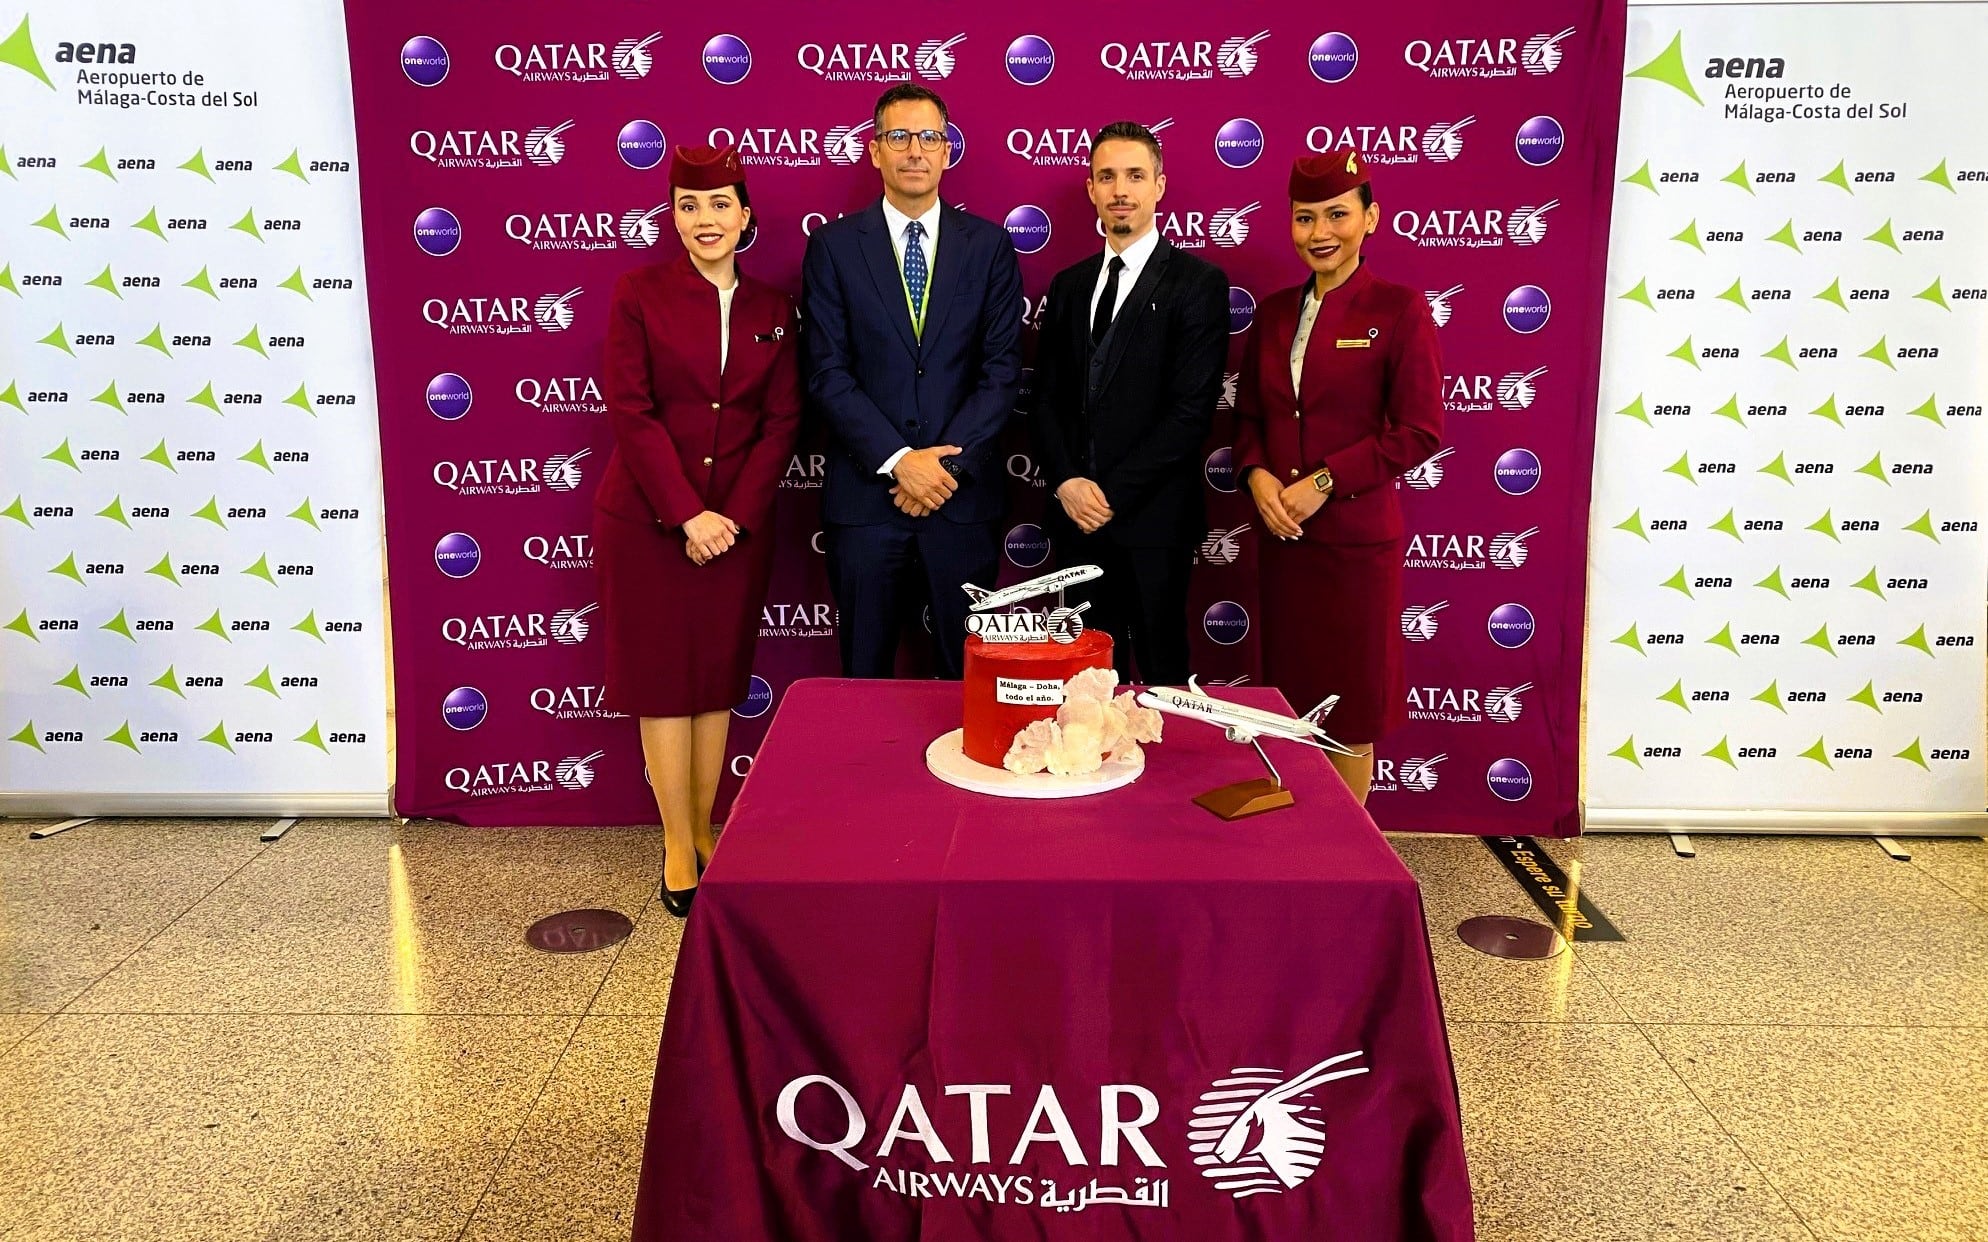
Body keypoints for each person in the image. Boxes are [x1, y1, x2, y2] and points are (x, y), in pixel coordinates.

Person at [595, 145, 802, 915]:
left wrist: (734, 518)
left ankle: (709, 828)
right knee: (664, 686)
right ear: (672, 216)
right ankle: (676, 842)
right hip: (650, 522)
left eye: (719, 204)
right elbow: (632, 409)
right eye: (688, 205)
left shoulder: (773, 309)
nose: (704, 220)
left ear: (745, 214)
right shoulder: (638, 292)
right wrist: (687, 513)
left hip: (735, 529)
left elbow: (781, 421)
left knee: (715, 682)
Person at [1233, 149, 1443, 804]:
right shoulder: (1270, 315)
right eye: (1304, 218)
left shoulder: (1400, 309)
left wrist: (1321, 481)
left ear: (1371, 218)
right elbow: (1248, 421)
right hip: (1285, 546)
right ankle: (1299, 854)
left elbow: (1418, 431)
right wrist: (1258, 478)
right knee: (1292, 709)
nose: (1320, 232)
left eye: (1337, 215)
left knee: (1348, 719)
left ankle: (1345, 866)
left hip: (1354, 549)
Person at [802, 83, 1024, 679]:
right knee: (863, 681)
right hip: (868, 503)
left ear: (948, 150)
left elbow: (1001, 372)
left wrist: (941, 470)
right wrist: (902, 460)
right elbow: (827, 372)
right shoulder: (833, 248)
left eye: (929, 136)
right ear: (874, 151)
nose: (915, 151)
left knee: (970, 683)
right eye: (898, 137)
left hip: (962, 503)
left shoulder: (991, 248)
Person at [1027, 121, 1228, 685]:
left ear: (1160, 186)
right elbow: (1044, 399)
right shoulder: (1068, 285)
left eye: (1135, 176)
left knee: (1164, 679)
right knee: (1084, 684)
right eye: (1107, 176)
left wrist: (1108, 494)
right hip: (1075, 521)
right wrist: (1067, 481)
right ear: (1090, 188)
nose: (1121, 189)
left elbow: (1190, 412)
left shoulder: (1198, 283)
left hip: (1155, 521)